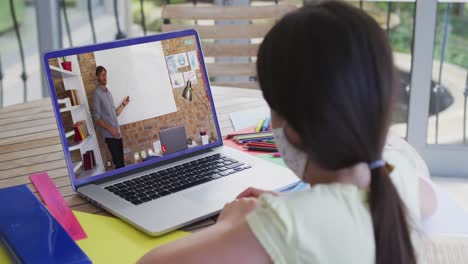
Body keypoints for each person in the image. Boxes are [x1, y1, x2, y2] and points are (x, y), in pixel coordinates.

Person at [138, 2, 437, 263]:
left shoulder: (283, 227)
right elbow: (426, 200)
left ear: (293, 131)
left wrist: (230, 227)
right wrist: (299, 205)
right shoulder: (400, 175)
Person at [92, 66, 130, 169]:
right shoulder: (97, 94)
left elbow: (114, 113)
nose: (105, 77)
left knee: (121, 164)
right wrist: (111, 130)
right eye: (102, 75)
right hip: (110, 135)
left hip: (117, 134)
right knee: (119, 165)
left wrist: (124, 104)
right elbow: (96, 118)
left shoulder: (109, 93)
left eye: (105, 74)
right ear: (97, 77)